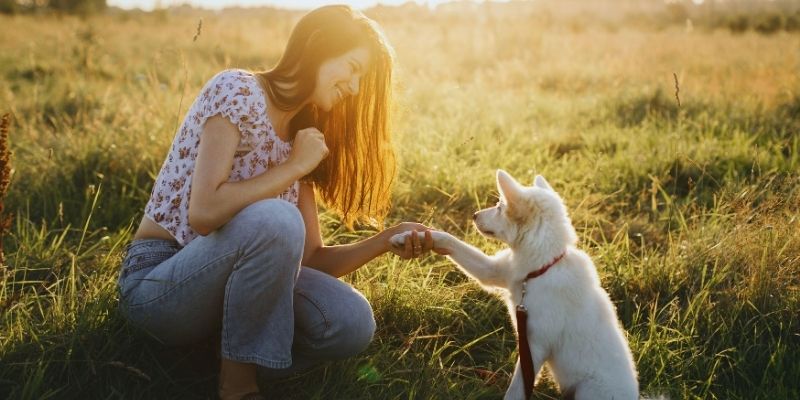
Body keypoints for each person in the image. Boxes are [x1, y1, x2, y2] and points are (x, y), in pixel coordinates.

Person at [117, 5, 436, 400]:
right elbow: (204, 213)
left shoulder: (304, 133)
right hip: (161, 283)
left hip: (233, 289)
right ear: (319, 47)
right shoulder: (236, 90)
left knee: (351, 322)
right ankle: (238, 387)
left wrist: (385, 240)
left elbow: (309, 257)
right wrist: (294, 166)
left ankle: (222, 355)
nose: (354, 88)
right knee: (276, 217)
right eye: (352, 68)